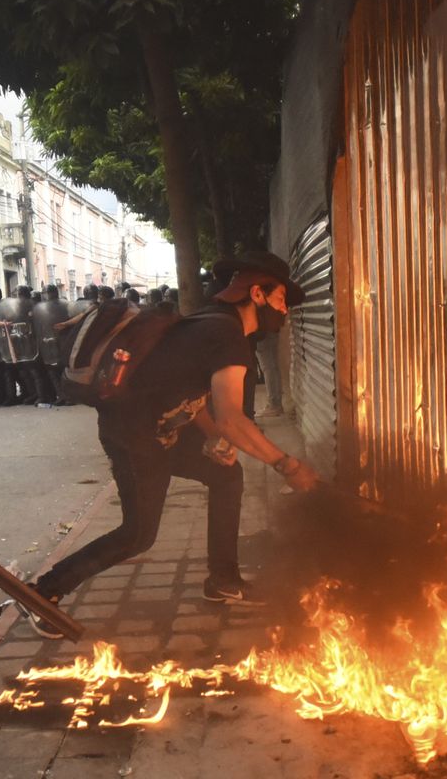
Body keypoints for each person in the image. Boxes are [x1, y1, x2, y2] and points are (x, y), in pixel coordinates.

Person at [27, 253, 323, 636]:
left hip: (161, 433)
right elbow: (235, 420)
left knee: (226, 475)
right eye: (282, 298)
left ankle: (223, 580)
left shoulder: (212, 324)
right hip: (134, 440)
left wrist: (212, 435)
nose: (286, 310)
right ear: (258, 294)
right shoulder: (226, 334)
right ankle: (42, 592)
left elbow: (190, 392)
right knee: (138, 534)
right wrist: (288, 465)